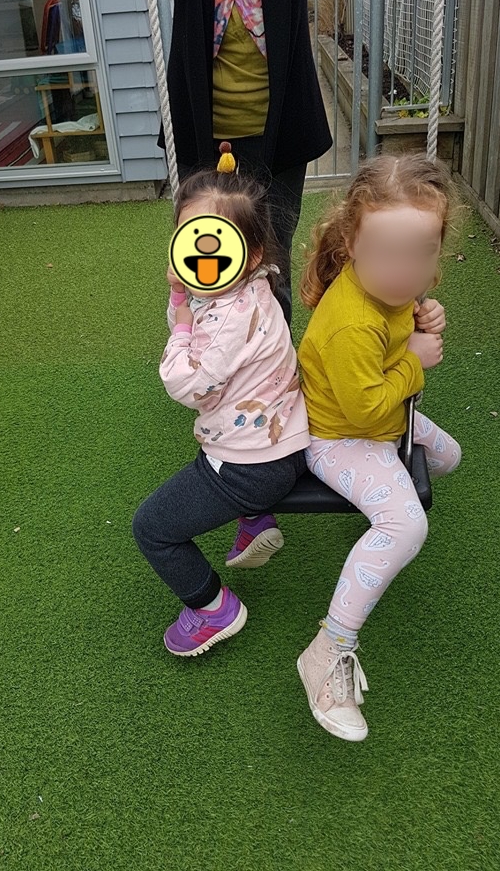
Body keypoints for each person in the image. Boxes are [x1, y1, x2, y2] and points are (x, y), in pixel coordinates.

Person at [110, 0, 432, 324]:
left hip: (280, 131)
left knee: (272, 257)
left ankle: (273, 355)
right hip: (201, 130)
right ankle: (207, 350)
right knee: (206, 253)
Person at [295, 153, 462, 741]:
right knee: (407, 523)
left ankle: (376, 504)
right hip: (341, 436)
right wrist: (414, 361)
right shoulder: (351, 323)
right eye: (388, 255)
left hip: (382, 420)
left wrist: (423, 314)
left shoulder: (391, 291)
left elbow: (400, 315)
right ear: (352, 245)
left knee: (447, 457)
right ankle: (327, 649)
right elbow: (366, 410)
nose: (403, 271)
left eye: (421, 254)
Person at [132, 145, 309, 657]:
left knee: (152, 528)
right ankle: (256, 522)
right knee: (217, 441)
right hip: (285, 440)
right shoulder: (256, 286)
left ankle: (214, 609)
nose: (198, 257)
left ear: (248, 254)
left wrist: (182, 323)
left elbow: (187, 384)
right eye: (188, 241)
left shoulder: (224, 316)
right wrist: (182, 300)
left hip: (250, 467)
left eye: (212, 244)